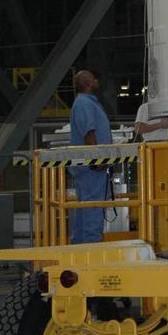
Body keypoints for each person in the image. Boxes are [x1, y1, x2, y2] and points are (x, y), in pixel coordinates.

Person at [69, 69, 113, 243]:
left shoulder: (85, 103)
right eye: (94, 79)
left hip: (87, 167)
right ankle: (91, 246)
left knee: (84, 209)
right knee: (93, 207)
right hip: (92, 168)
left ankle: (79, 246)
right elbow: (89, 131)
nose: (97, 81)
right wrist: (97, 159)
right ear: (88, 83)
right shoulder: (84, 104)